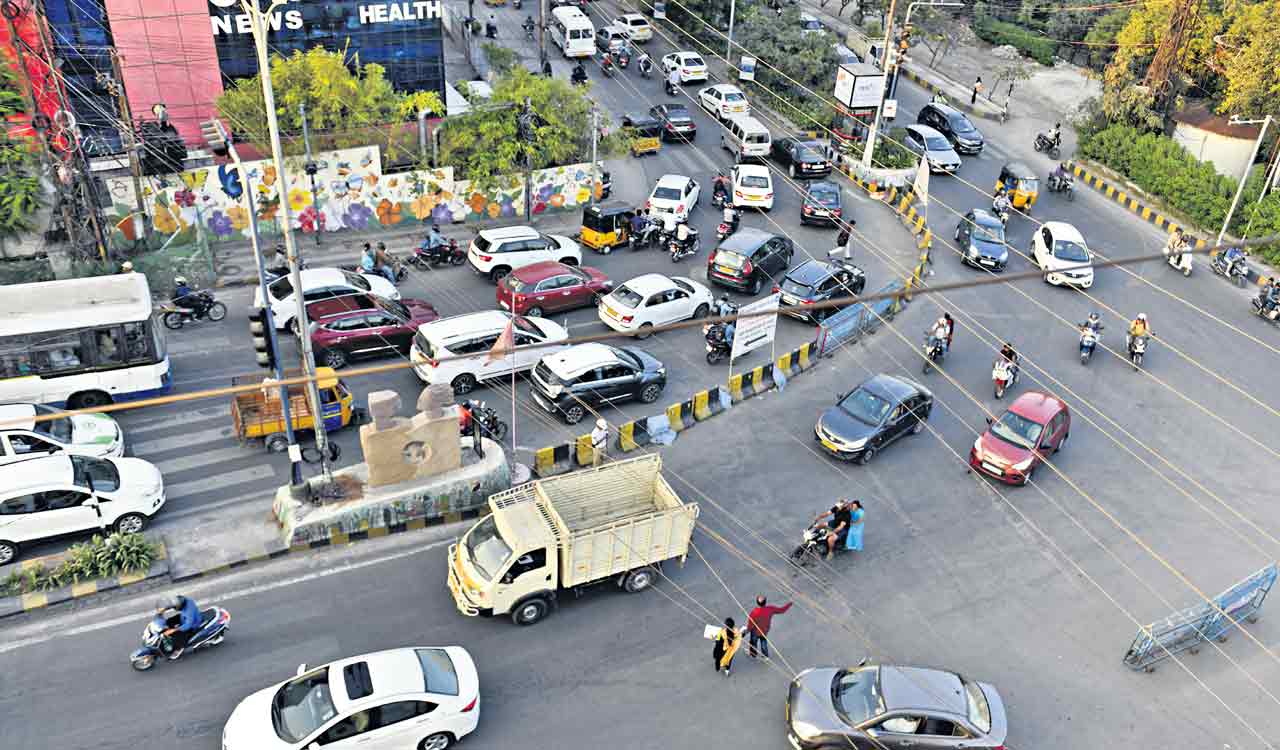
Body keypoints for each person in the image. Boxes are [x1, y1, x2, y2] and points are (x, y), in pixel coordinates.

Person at [746, 596, 793, 660]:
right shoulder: (770, 609)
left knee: (753, 642)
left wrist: (747, 631)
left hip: (755, 631)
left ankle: (753, 654)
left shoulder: (754, 612)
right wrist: (790, 603)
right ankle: (765, 656)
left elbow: (750, 624)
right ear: (765, 602)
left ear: (757, 602)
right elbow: (782, 610)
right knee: (763, 642)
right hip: (765, 630)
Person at [156, 594, 201, 659]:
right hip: (183, 617)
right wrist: (163, 609)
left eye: (176, 608)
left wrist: (174, 630)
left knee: (179, 634)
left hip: (192, 625)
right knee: (168, 621)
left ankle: (179, 648)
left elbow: (188, 625)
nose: (175, 609)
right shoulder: (182, 600)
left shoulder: (189, 611)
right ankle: (164, 633)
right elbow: (173, 604)